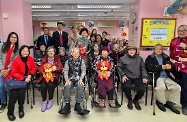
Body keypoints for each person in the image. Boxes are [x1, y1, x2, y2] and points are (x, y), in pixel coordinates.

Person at [145, 44, 181, 114]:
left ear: (162, 50)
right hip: (157, 76)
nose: (158, 50)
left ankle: (170, 102)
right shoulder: (150, 58)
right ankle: (160, 102)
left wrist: (170, 68)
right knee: (161, 87)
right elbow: (148, 67)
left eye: (160, 49)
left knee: (177, 87)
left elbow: (172, 68)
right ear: (154, 50)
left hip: (166, 77)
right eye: (157, 49)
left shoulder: (166, 57)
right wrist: (161, 67)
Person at [7, 45, 36, 121]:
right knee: (13, 94)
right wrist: (23, 78)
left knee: (21, 93)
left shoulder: (30, 59)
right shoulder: (16, 60)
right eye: (23, 51)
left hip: (25, 81)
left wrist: (30, 75)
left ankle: (21, 109)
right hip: (16, 80)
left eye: (27, 51)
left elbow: (33, 68)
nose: (25, 52)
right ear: (20, 52)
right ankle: (10, 112)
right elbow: (13, 73)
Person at [58, 48, 90, 115]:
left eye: (77, 52)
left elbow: (84, 70)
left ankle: (77, 105)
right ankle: (67, 104)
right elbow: (66, 71)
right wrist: (66, 79)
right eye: (74, 52)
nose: (76, 54)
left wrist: (81, 79)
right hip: (70, 78)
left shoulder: (82, 61)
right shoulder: (68, 61)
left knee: (81, 86)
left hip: (78, 79)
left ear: (79, 53)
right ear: (71, 54)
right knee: (67, 85)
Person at [117, 46, 148, 110]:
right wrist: (123, 75)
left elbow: (143, 68)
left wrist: (144, 77)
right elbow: (118, 67)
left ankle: (136, 99)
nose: (131, 51)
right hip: (127, 76)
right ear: (127, 51)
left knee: (142, 88)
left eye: (133, 50)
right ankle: (130, 99)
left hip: (137, 76)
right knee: (127, 86)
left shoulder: (140, 59)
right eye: (130, 50)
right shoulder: (123, 58)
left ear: (136, 51)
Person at [37, 46, 63, 112]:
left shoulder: (57, 59)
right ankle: (44, 101)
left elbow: (61, 68)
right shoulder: (44, 59)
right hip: (45, 76)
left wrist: (56, 68)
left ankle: (50, 100)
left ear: (54, 53)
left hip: (54, 76)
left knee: (51, 85)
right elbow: (40, 68)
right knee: (43, 85)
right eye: (49, 51)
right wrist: (42, 72)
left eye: (52, 51)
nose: (50, 52)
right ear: (47, 52)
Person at [170, 25, 187, 115]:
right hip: (174, 67)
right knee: (176, 85)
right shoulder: (174, 40)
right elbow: (171, 53)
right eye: (179, 30)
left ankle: (185, 105)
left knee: (185, 87)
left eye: (184, 30)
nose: (181, 32)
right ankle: (174, 101)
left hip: (185, 69)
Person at [0, 32, 19, 113]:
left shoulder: (17, 49)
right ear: (9, 37)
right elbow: (0, 58)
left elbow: (15, 60)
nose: (13, 39)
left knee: (7, 86)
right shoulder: (2, 46)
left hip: (10, 71)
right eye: (12, 37)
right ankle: (3, 102)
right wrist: (1, 69)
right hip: (1, 70)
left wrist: (8, 69)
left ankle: (11, 101)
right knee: (1, 87)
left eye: (15, 37)